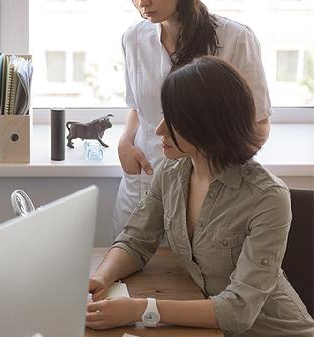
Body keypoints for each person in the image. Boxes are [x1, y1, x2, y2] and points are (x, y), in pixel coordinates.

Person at [87, 56, 314, 336]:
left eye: (173, 121)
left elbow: (238, 310)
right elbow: (136, 241)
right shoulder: (171, 172)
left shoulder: (267, 198)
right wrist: (101, 277)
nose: (159, 130)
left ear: (207, 124)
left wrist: (140, 309)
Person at [113, 0, 272, 238]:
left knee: (199, 270)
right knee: (129, 264)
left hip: (209, 190)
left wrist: (205, 163)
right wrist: (125, 142)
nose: (142, 2)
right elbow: (139, 108)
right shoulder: (133, 38)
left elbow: (258, 125)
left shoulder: (235, 38)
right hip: (143, 182)